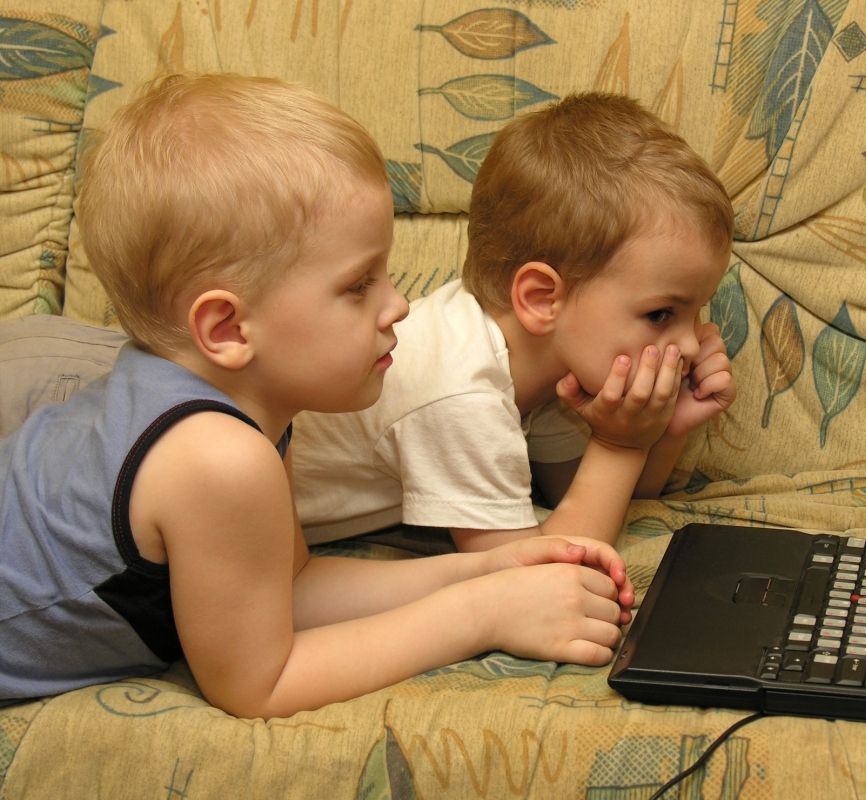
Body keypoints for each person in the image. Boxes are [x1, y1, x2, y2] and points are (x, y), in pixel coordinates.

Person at [0, 73, 633, 719]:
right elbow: (257, 685)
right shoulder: (215, 458)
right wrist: (479, 614)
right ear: (227, 329)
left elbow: (290, 587)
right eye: (360, 284)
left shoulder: (238, 412)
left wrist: (483, 571)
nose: (399, 304)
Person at [291, 92, 737, 551]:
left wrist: (663, 431)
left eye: (697, 309)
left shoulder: (540, 362)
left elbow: (585, 500)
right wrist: (622, 446)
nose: (688, 344)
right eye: (661, 314)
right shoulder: (460, 392)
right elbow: (537, 579)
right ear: (542, 299)